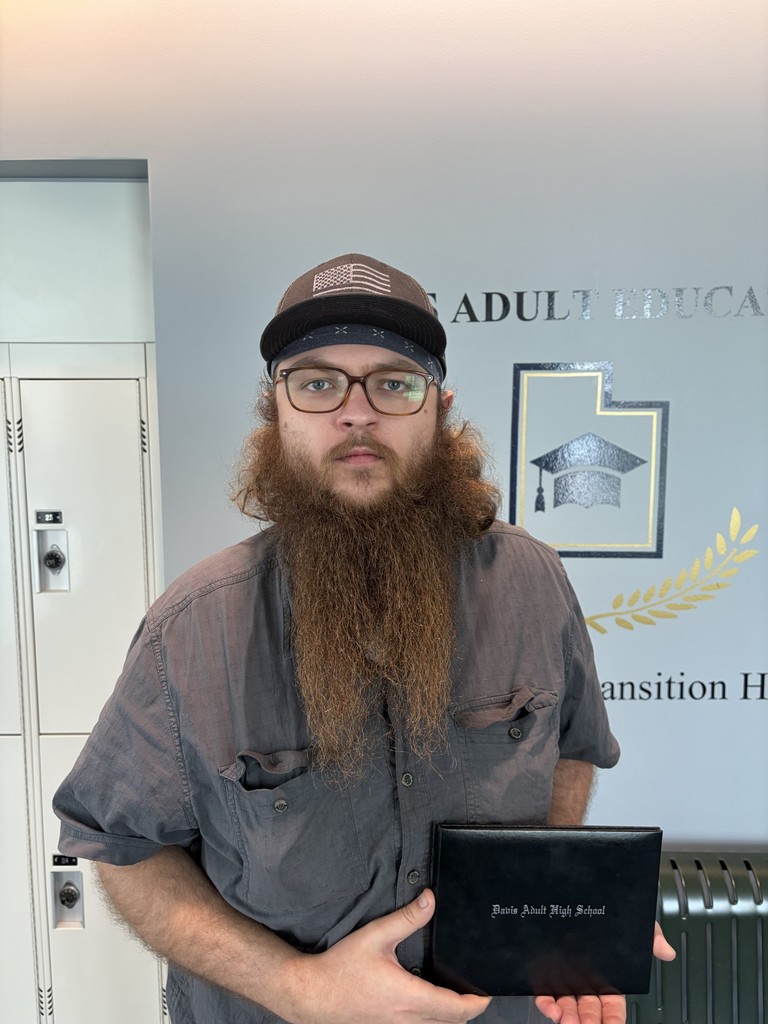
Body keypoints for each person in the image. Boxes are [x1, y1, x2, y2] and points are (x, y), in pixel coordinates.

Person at [53, 253, 674, 1024]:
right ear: (275, 413)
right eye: (317, 383)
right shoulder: (192, 628)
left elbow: (572, 748)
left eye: (393, 382)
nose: (356, 413)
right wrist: (298, 987)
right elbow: (124, 848)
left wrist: (552, 906)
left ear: (438, 408)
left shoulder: (532, 581)